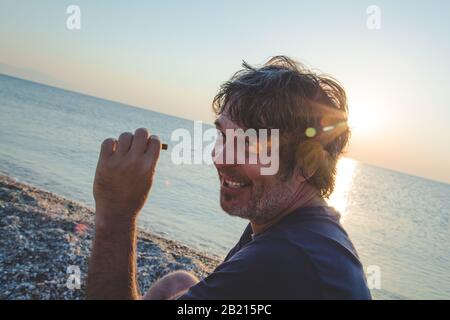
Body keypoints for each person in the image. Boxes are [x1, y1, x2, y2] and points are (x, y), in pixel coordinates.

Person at [86, 56, 371, 300]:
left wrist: (116, 214)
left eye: (250, 145)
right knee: (178, 282)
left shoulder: (282, 259)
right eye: (224, 135)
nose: (220, 157)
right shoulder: (303, 228)